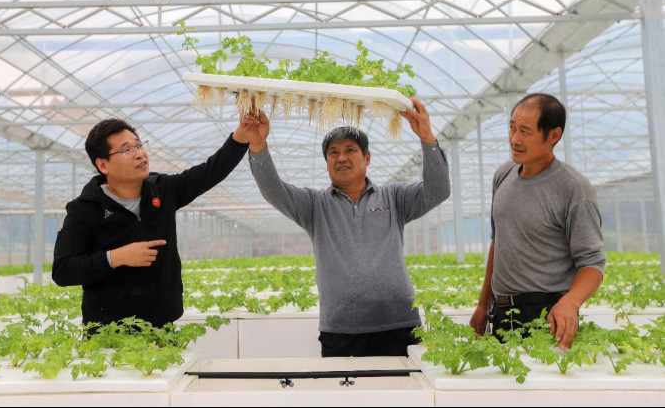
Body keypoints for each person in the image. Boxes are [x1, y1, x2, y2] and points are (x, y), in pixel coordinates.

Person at [241, 99, 450, 357]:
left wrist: (427, 138)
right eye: (333, 153)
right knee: (345, 396)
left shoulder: (393, 198)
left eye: (350, 150)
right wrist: (258, 145)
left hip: (399, 324)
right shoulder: (314, 205)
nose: (341, 158)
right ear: (327, 162)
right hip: (341, 330)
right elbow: (275, 191)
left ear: (367, 158)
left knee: (404, 395)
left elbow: (438, 191)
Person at [52, 118, 249, 329]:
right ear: (103, 164)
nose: (139, 154)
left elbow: (210, 171)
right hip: (109, 333)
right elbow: (63, 270)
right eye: (126, 150)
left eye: (139, 145)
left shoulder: (162, 190)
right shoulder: (85, 209)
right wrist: (115, 257)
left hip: (163, 327)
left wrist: (243, 135)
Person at [469, 93, 606, 350]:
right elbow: (498, 244)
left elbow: (593, 263)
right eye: (511, 128)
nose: (514, 139)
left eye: (524, 131)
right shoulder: (503, 175)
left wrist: (570, 303)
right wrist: (483, 304)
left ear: (553, 135)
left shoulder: (573, 189)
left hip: (545, 315)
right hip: (501, 313)